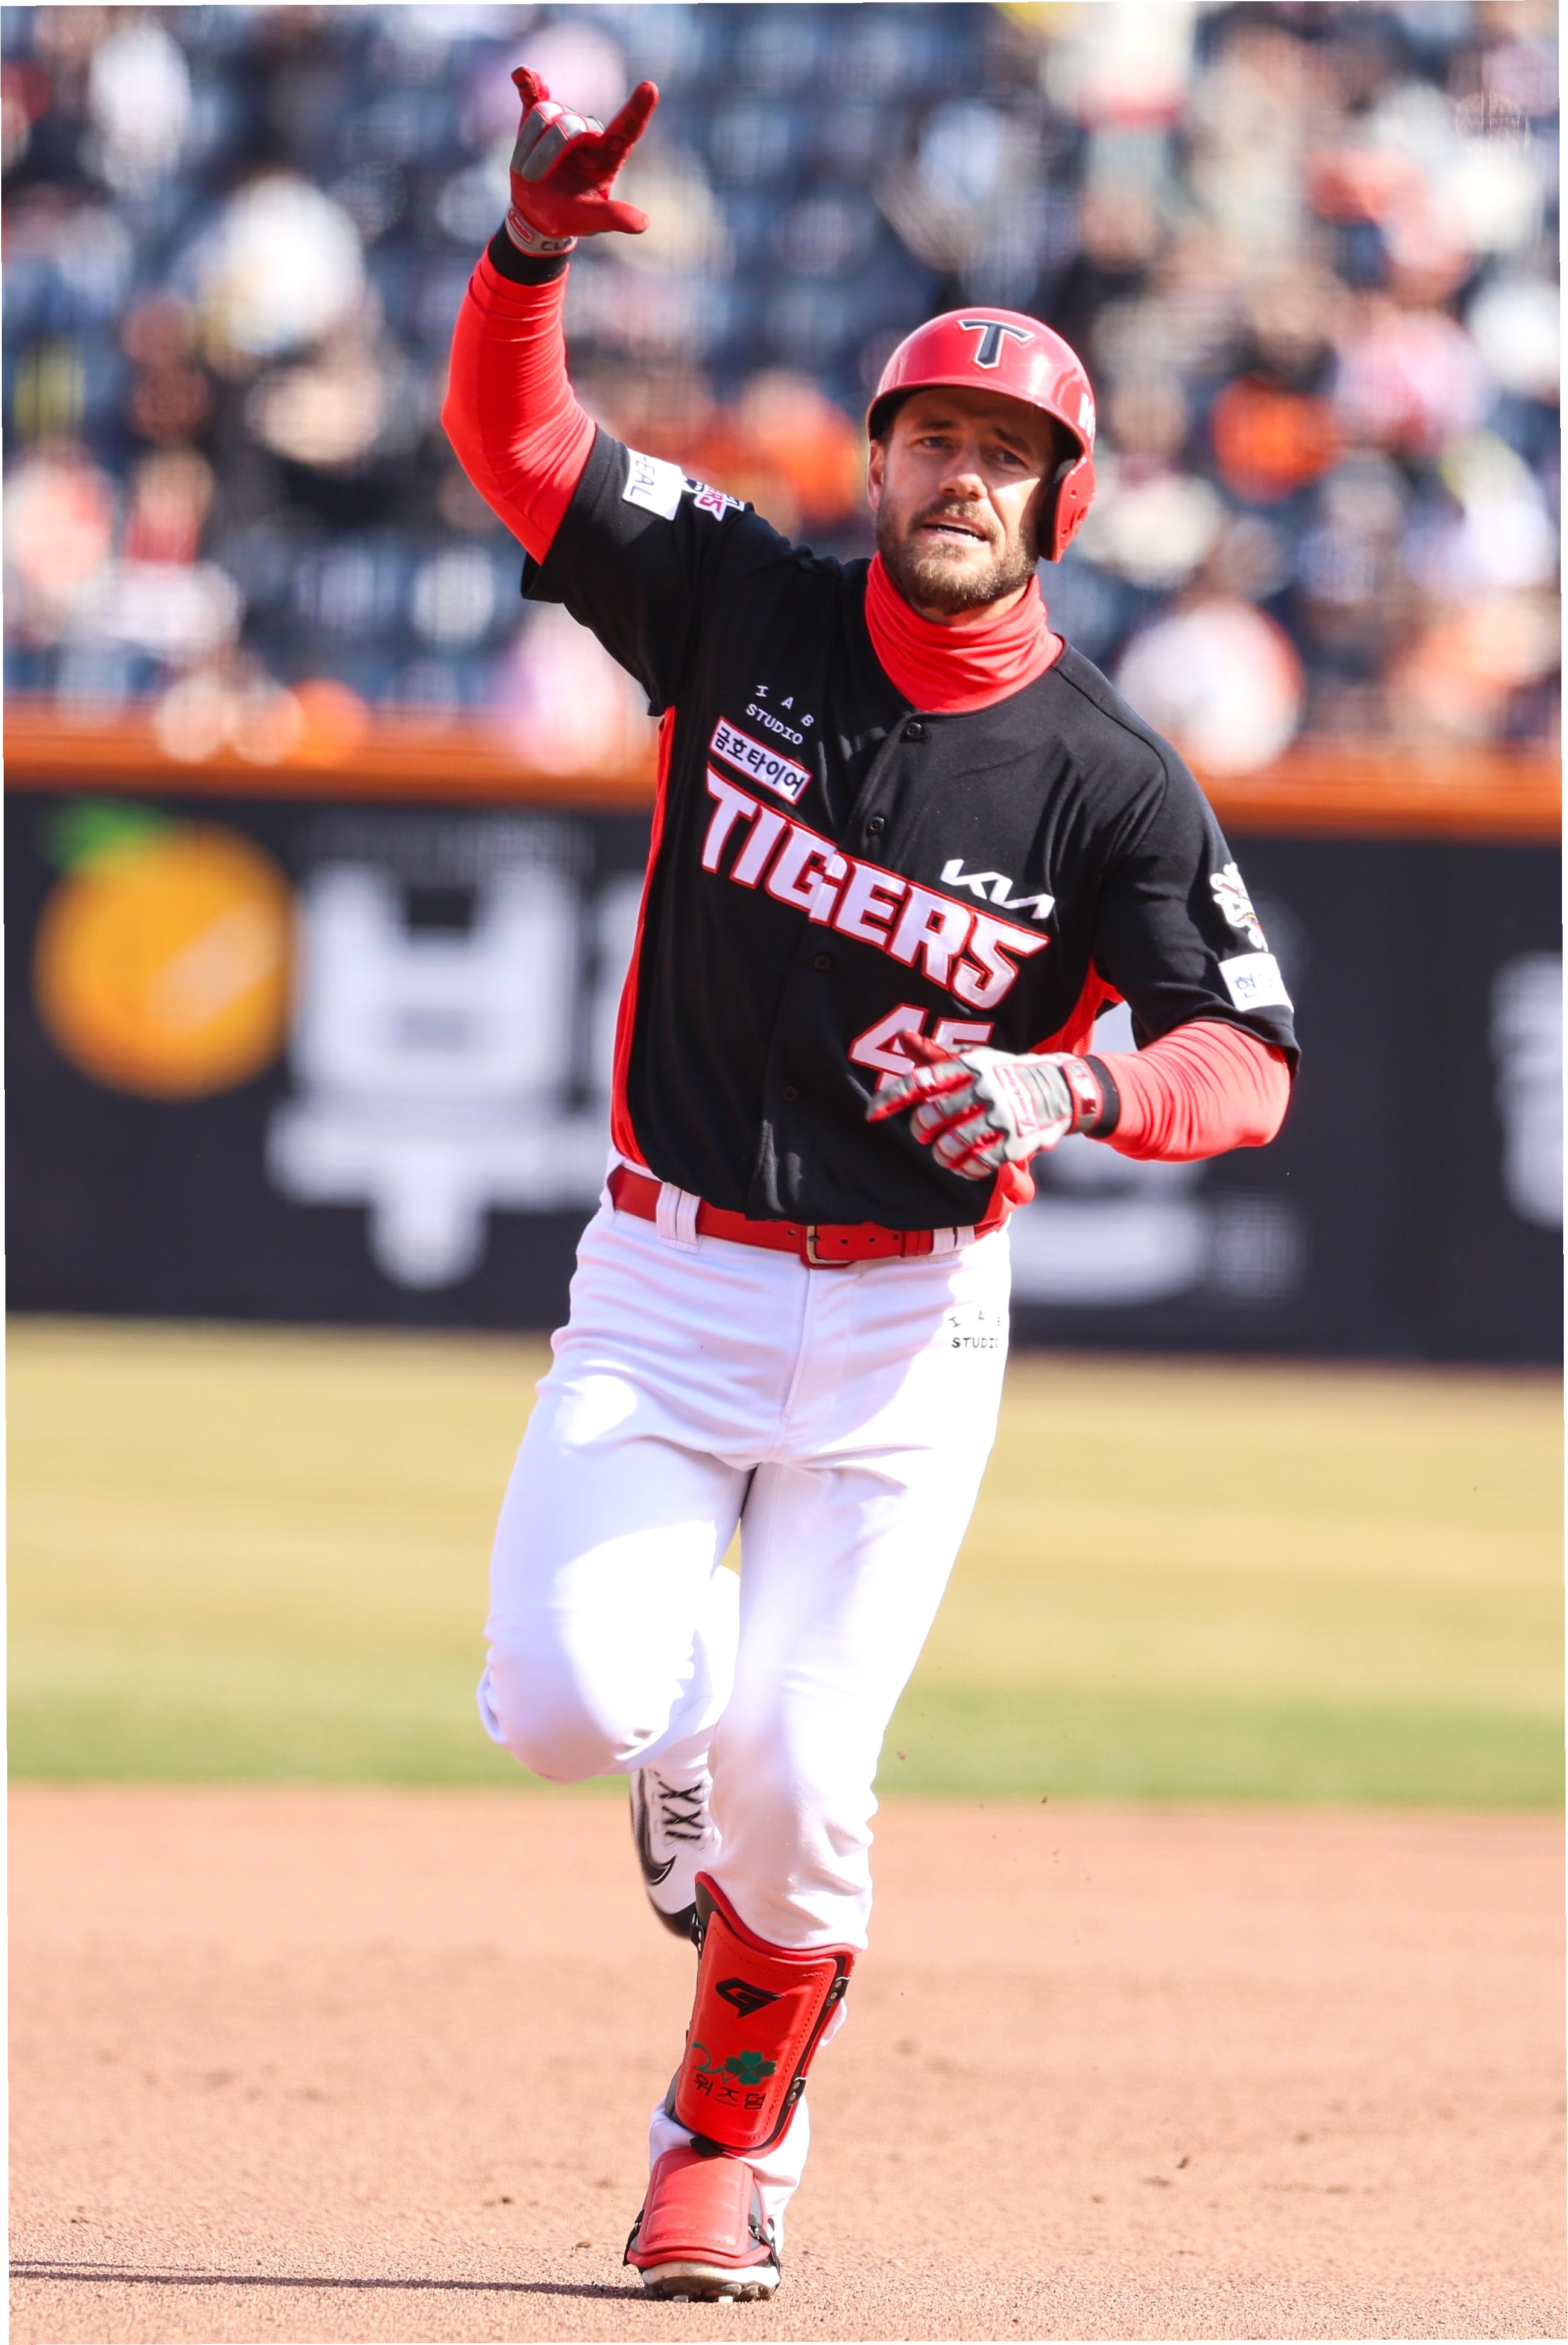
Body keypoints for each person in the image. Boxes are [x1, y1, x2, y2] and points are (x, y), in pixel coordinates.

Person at [444, 66, 1297, 2305]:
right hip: (670, 1278)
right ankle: (680, 1751)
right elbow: (520, 448)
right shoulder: (742, 604)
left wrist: (1077, 1090)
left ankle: (721, 2154)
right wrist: (526, 255)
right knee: (567, 1706)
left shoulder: (1112, 781)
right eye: (934, 436)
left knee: (810, 1777)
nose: (963, 475)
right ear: (881, 455)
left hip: (910, 1323)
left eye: (1008, 453)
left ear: (1061, 501)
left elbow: (1247, 1056)